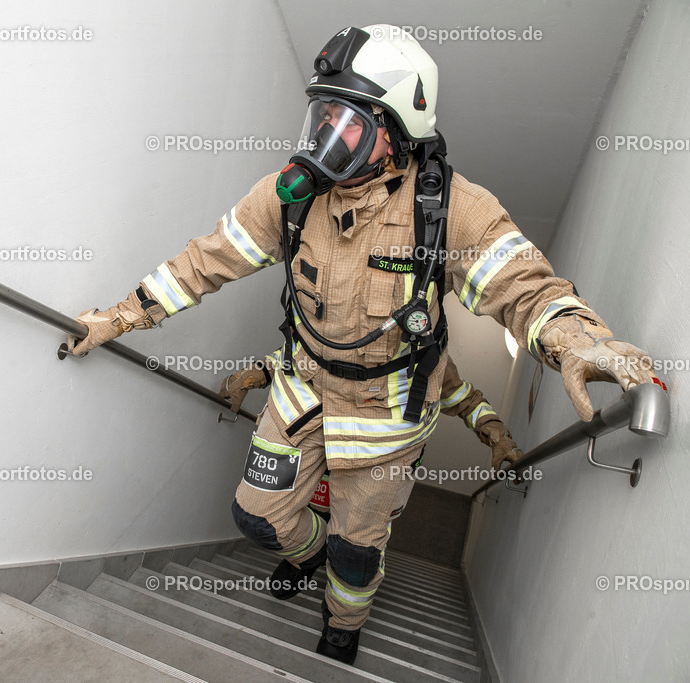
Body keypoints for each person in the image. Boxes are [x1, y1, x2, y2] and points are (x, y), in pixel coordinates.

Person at [69, 24, 662, 665]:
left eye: (346, 119)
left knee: (357, 552)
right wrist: (121, 318)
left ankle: (342, 623)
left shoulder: (451, 211)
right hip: (302, 389)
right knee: (257, 517)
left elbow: (523, 287)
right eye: (321, 112)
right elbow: (203, 262)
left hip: (387, 419)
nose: (325, 134)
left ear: (396, 128)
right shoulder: (286, 200)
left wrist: (576, 340)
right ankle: (307, 555)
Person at [219, 353, 521, 596]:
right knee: (308, 511)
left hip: (381, 464)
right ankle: (303, 561)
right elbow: (295, 353)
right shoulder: (338, 320)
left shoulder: (431, 355)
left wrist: (496, 433)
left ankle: (343, 614)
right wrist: (255, 373)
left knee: (361, 541)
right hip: (327, 448)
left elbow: (465, 399)